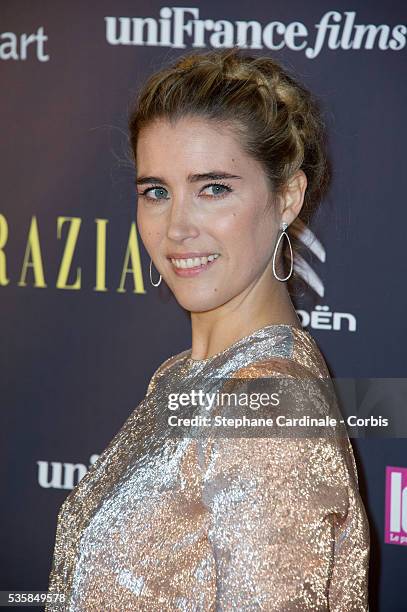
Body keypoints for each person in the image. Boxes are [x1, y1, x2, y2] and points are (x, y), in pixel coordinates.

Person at [46, 47, 370, 610]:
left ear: (287, 197)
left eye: (213, 188)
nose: (176, 228)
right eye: (157, 192)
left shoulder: (268, 405)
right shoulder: (185, 376)